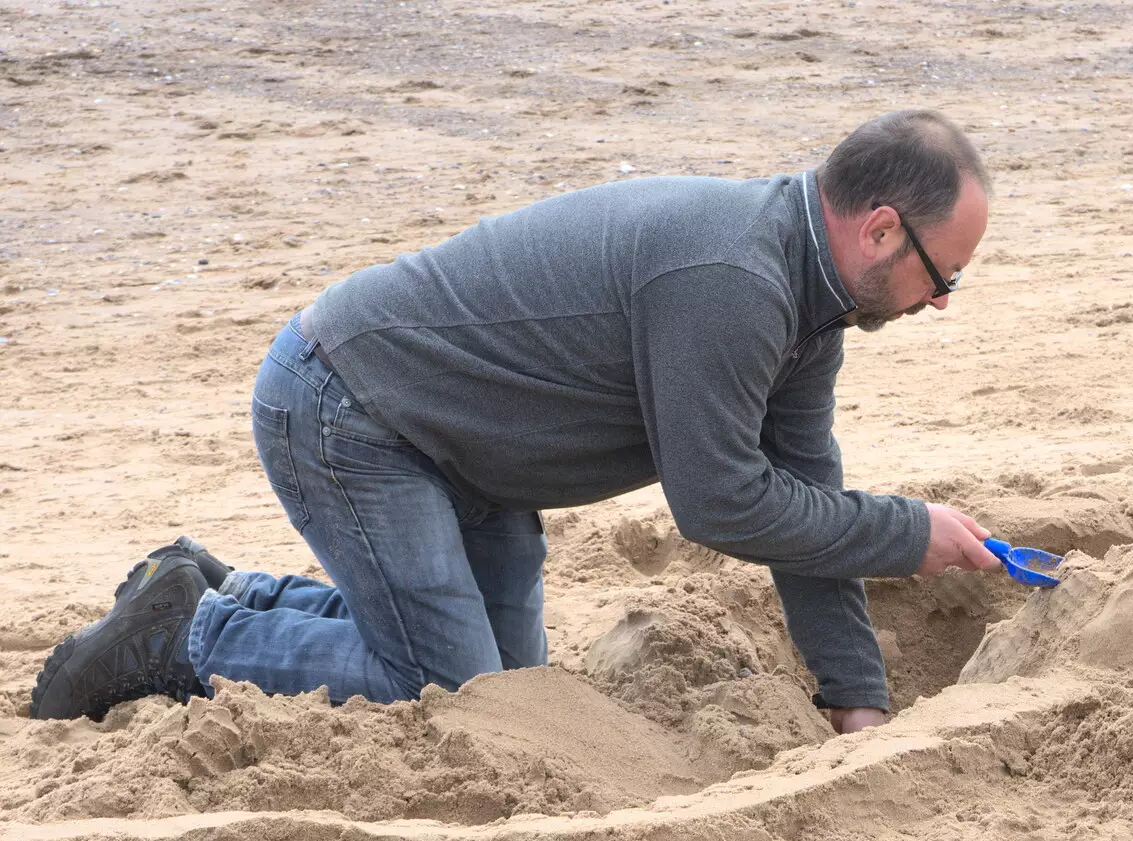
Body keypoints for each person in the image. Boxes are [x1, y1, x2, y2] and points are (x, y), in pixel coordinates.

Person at [32, 109, 1003, 733]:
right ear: (880, 229)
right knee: (449, 689)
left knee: (513, 688)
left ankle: (215, 588)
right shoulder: (735, 283)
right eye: (941, 274)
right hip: (350, 407)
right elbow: (721, 502)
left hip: (468, 456)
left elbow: (803, 502)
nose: (942, 299)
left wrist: (856, 704)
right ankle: (184, 634)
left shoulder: (807, 305)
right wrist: (908, 532)